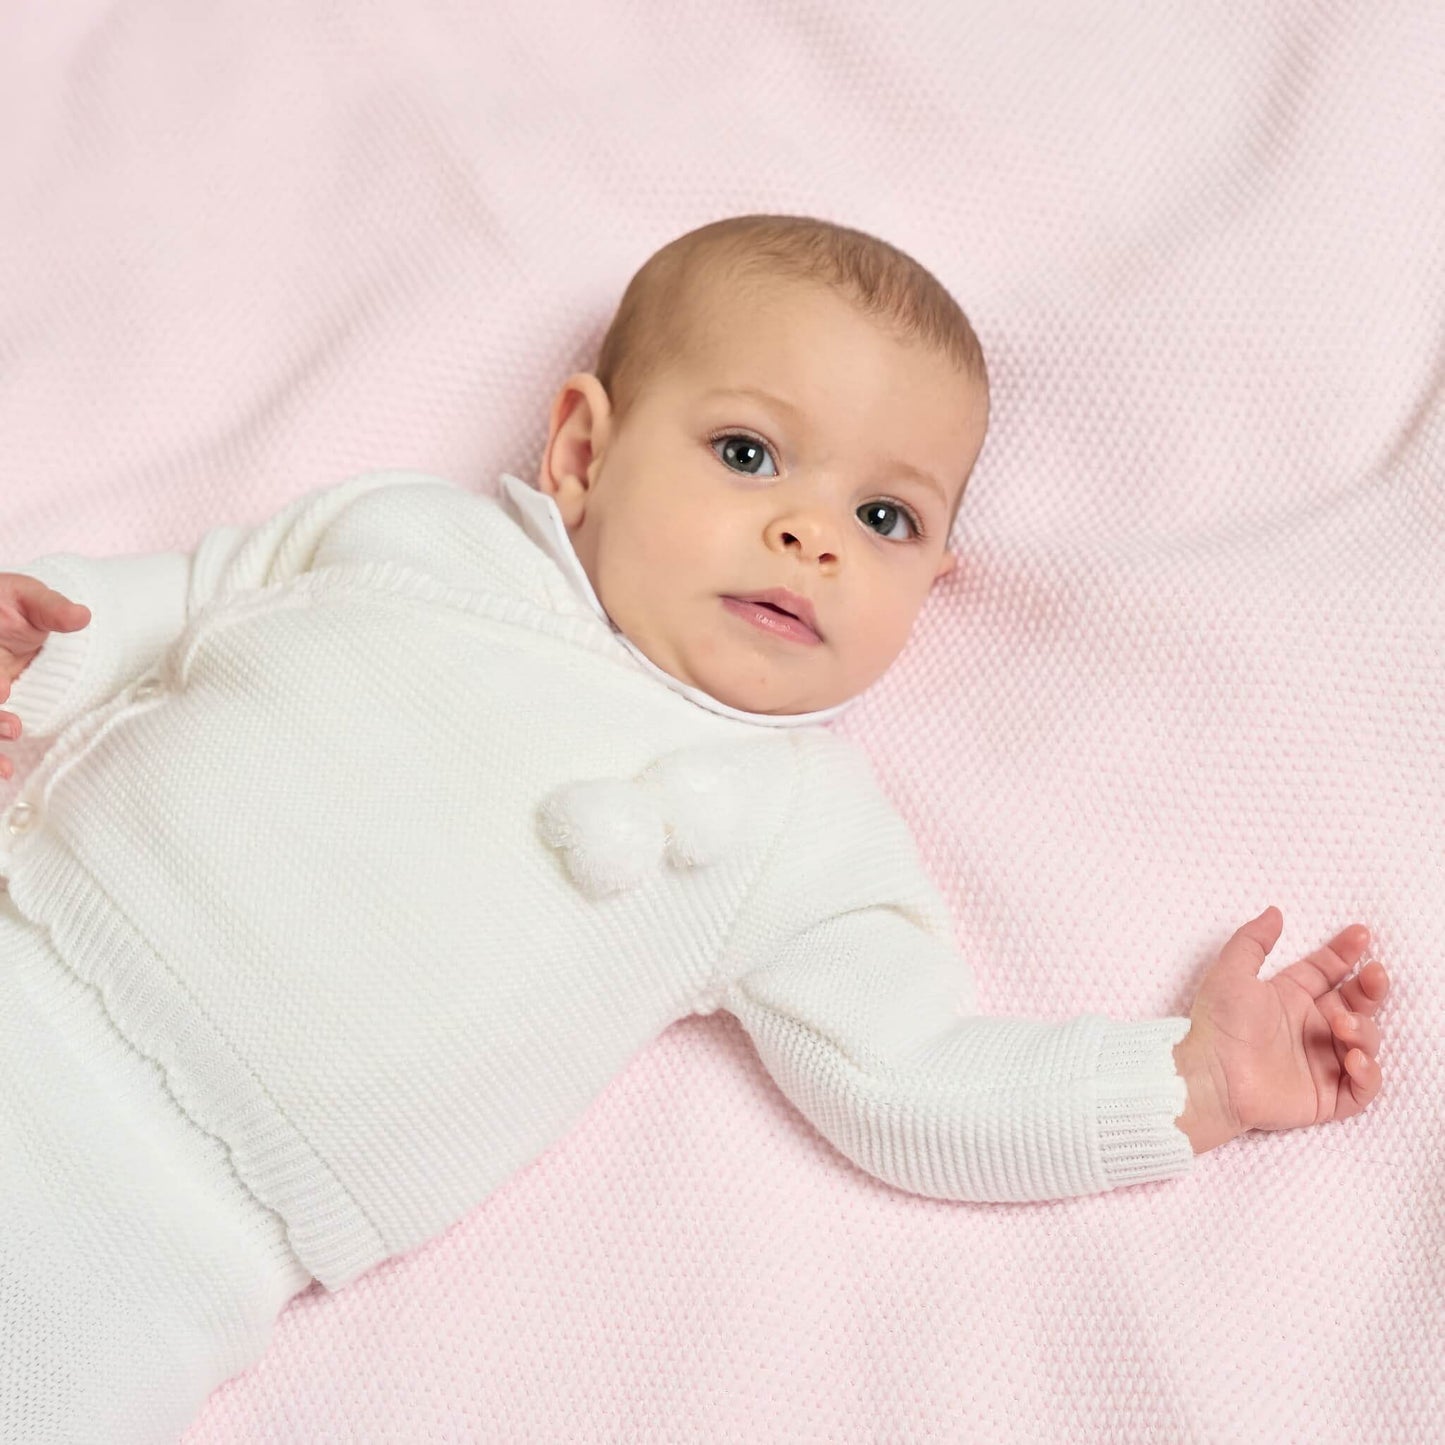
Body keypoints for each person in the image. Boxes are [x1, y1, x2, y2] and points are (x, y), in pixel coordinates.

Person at [0, 215, 1389, 1442]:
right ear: (581, 449)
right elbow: (155, 610)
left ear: (932, 580)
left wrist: (1181, 1085)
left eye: (885, 515)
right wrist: (33, 645)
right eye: (747, 452)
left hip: (180, 1234)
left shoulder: (795, 828)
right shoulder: (410, 540)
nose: (811, 533)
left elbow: (905, 1074)